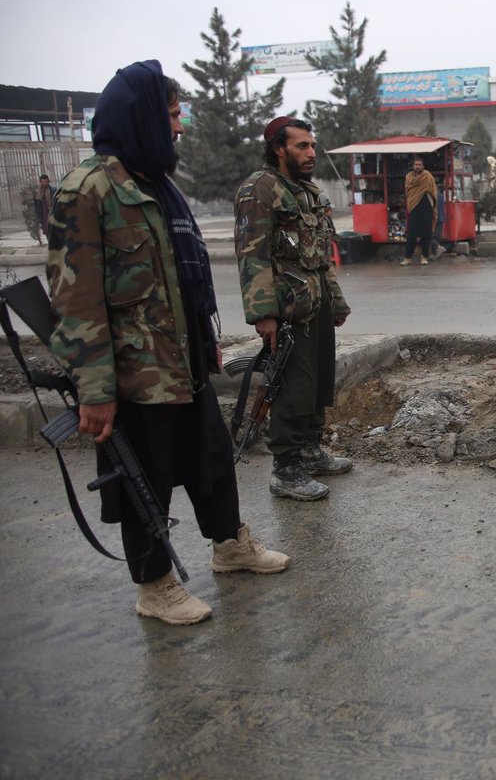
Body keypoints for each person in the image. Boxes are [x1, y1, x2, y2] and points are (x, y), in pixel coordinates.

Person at [45, 60, 289, 626]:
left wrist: (205, 342)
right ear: (144, 118)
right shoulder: (88, 191)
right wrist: (95, 390)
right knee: (144, 480)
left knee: (211, 462)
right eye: (173, 116)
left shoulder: (158, 184)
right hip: (133, 374)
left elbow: (181, 280)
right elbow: (76, 303)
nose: (179, 128)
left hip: (183, 361)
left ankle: (229, 546)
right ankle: (154, 586)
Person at [235, 117, 353, 501]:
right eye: (302, 146)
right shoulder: (260, 190)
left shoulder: (309, 192)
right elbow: (252, 257)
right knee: (292, 385)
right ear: (278, 148)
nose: (311, 153)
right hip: (287, 308)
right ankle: (285, 470)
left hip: (315, 302)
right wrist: (264, 314)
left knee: (319, 379)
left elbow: (320, 257)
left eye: (313, 146)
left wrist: (335, 299)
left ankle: (311, 451)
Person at [402, 156, 438, 266]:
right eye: (416, 165)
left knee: (426, 234)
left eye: (419, 165)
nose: (417, 166)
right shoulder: (409, 177)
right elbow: (408, 191)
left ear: (423, 166)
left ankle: (424, 257)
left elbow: (433, 190)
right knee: (412, 233)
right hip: (413, 206)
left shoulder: (427, 176)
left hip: (426, 205)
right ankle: (407, 258)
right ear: (413, 166)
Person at [34, 174, 56, 239]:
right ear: (40, 182)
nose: (45, 183)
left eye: (46, 181)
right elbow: (36, 206)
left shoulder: (53, 190)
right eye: (43, 181)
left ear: (48, 181)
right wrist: (38, 217)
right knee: (47, 231)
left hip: (52, 213)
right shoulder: (37, 192)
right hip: (43, 214)